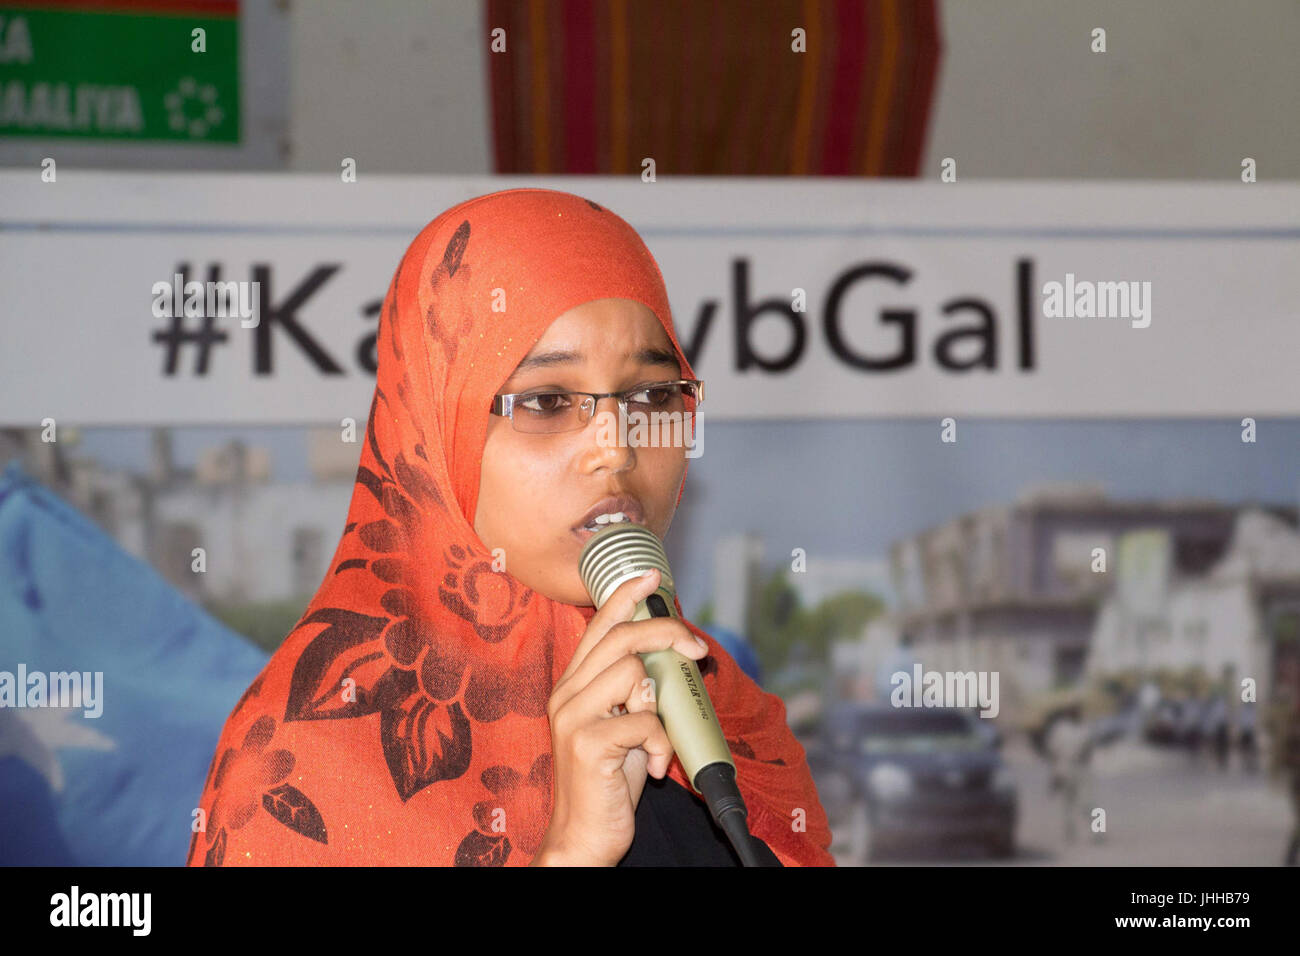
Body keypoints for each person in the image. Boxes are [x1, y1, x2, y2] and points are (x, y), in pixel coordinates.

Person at [185, 188, 834, 867]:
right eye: (548, 402)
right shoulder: (308, 760)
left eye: (652, 395)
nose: (616, 446)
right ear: (438, 431)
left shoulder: (726, 716)